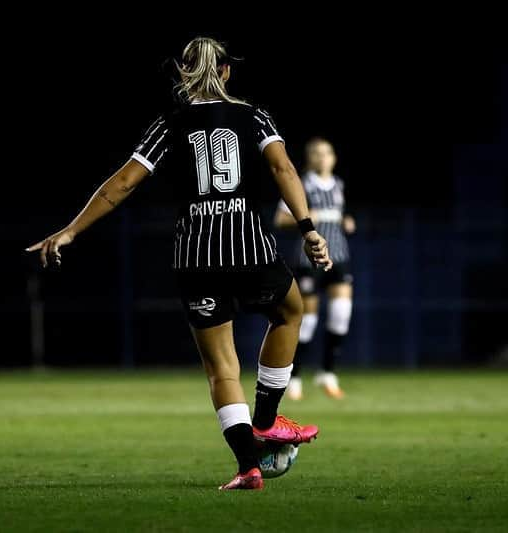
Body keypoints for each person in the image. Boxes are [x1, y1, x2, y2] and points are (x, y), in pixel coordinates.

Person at [27, 37, 332, 491]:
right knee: (289, 312)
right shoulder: (251, 116)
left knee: (222, 370)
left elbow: (122, 184)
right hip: (249, 248)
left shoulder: (170, 123)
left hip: (196, 256)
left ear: (181, 72)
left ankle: (249, 467)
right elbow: (284, 169)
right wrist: (308, 227)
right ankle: (266, 420)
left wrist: (71, 229)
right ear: (227, 71)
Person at [274, 138, 354, 400]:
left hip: (339, 255)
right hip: (310, 260)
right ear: (309, 158)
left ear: (334, 158)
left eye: (327, 153)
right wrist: (307, 221)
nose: (323, 158)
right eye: (317, 154)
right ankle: (293, 377)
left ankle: (327, 372)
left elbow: (340, 216)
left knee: (341, 312)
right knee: (307, 320)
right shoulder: (302, 184)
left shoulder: (339, 185)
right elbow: (280, 219)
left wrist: (346, 221)